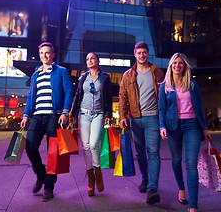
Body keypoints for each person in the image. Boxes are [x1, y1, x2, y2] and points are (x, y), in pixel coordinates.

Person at [20, 42, 74, 202]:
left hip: (54, 116)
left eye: (48, 53)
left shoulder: (61, 71)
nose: (45, 55)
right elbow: (31, 97)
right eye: (42, 53)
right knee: (30, 147)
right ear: (40, 54)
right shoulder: (35, 74)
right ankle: (42, 174)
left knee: (53, 152)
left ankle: (49, 186)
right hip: (36, 116)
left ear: (53, 55)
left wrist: (65, 112)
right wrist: (25, 115)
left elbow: (69, 91)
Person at [159, 52, 211, 212]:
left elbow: (199, 107)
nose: (177, 66)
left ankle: (193, 205)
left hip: (192, 126)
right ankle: (181, 188)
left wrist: (204, 128)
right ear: (171, 66)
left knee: (191, 165)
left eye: (181, 63)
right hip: (173, 126)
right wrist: (162, 126)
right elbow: (162, 110)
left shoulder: (193, 85)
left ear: (185, 66)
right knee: (176, 160)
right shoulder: (165, 86)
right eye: (175, 63)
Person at [118, 41, 164, 204]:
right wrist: (123, 115)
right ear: (135, 54)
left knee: (153, 152)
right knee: (139, 152)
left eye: (144, 52)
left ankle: (152, 188)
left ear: (148, 53)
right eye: (139, 53)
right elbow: (122, 96)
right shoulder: (128, 75)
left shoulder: (157, 72)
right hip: (135, 119)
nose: (142, 55)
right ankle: (145, 179)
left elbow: (165, 94)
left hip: (153, 117)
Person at [70, 52, 112, 196]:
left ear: (98, 61)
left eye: (92, 58)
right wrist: (73, 114)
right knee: (86, 146)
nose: (89, 61)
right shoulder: (83, 77)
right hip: (84, 114)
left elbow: (109, 97)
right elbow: (77, 97)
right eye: (87, 59)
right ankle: (91, 179)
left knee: (94, 144)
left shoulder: (105, 78)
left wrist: (109, 114)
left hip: (98, 114)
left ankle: (98, 174)